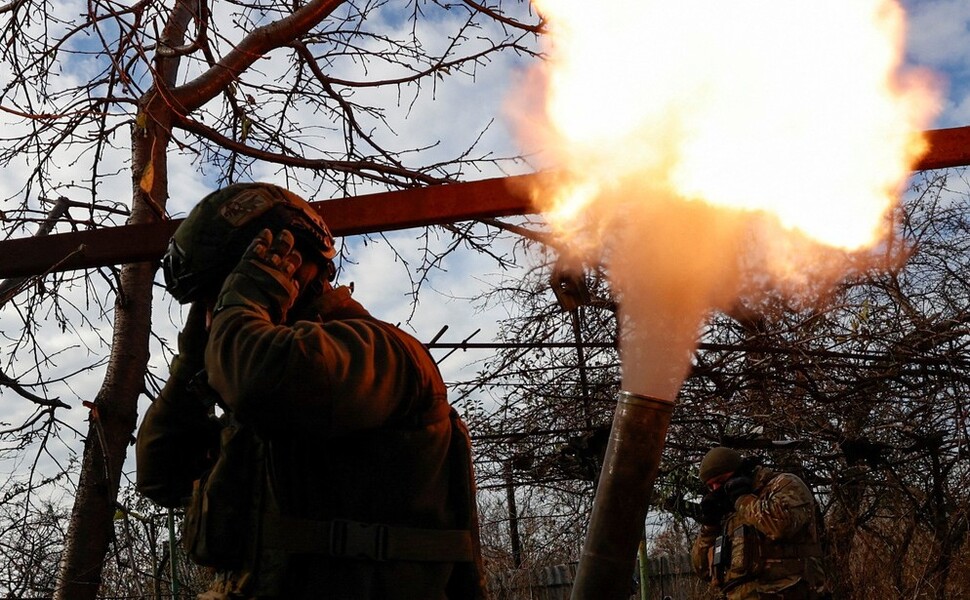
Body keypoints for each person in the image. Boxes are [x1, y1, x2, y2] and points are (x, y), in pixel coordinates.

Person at [136, 182, 486, 600]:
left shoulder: (378, 352)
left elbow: (259, 381)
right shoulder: (271, 391)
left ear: (287, 264)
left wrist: (244, 306)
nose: (214, 315)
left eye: (221, 295)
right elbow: (161, 476)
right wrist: (191, 365)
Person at [691, 447, 826, 600]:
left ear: (739, 472)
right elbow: (702, 570)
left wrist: (742, 499)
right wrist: (709, 526)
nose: (716, 490)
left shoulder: (783, 484)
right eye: (711, 486)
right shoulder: (725, 513)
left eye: (721, 481)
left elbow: (780, 527)